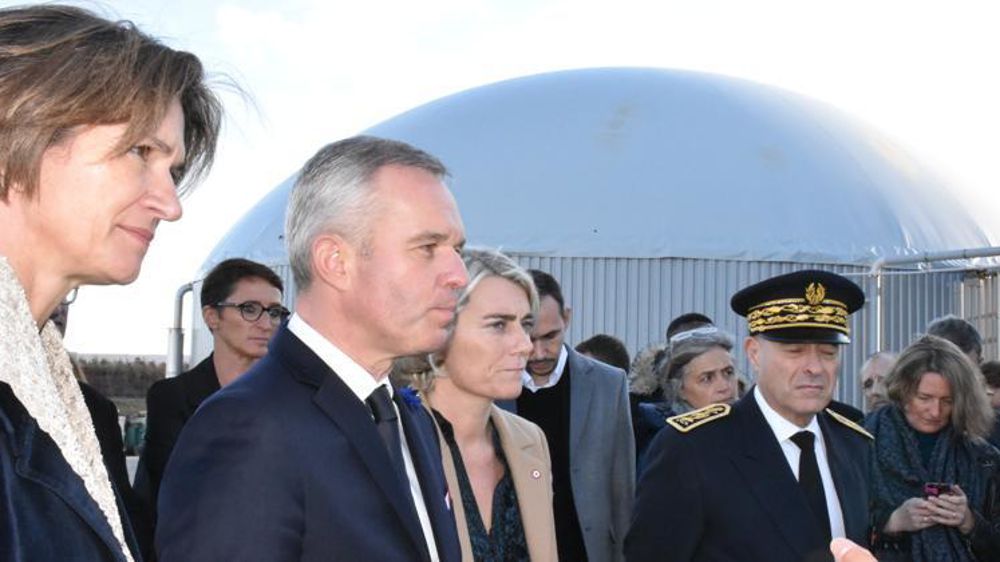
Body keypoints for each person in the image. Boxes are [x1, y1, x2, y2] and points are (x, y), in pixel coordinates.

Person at [156, 136, 465, 562]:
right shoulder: (248, 429)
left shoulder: (409, 418)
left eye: (457, 250)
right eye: (427, 248)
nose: (458, 274)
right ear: (335, 261)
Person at [0, 6, 221, 561]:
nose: (170, 206)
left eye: (171, 170)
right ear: (15, 127)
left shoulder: (58, 403)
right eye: (141, 152)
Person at [627, 270, 873, 562]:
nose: (815, 367)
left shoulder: (855, 444)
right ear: (754, 354)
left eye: (828, 352)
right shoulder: (693, 447)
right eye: (795, 351)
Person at [404, 248, 557, 561]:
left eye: (525, 324)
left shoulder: (530, 441)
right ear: (439, 331)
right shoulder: (395, 441)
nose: (525, 345)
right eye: (499, 325)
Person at [136, 258, 287, 527]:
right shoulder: (173, 398)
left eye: (274, 312)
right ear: (212, 317)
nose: (266, 324)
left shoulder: (295, 398)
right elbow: (178, 490)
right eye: (249, 309)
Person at [503, 269, 634, 562]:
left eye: (550, 336)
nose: (538, 353)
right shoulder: (491, 387)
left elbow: (622, 492)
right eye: (529, 337)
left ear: (567, 317)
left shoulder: (608, 384)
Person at [865, 335, 1000, 561]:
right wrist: (892, 521)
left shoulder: (983, 458)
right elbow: (833, 532)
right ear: (902, 391)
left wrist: (969, 522)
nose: (935, 411)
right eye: (924, 398)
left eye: (947, 401)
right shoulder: (858, 444)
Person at [633, 325, 738, 471]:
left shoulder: (757, 429)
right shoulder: (665, 448)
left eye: (728, 372)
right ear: (680, 389)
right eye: (707, 378)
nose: (724, 386)